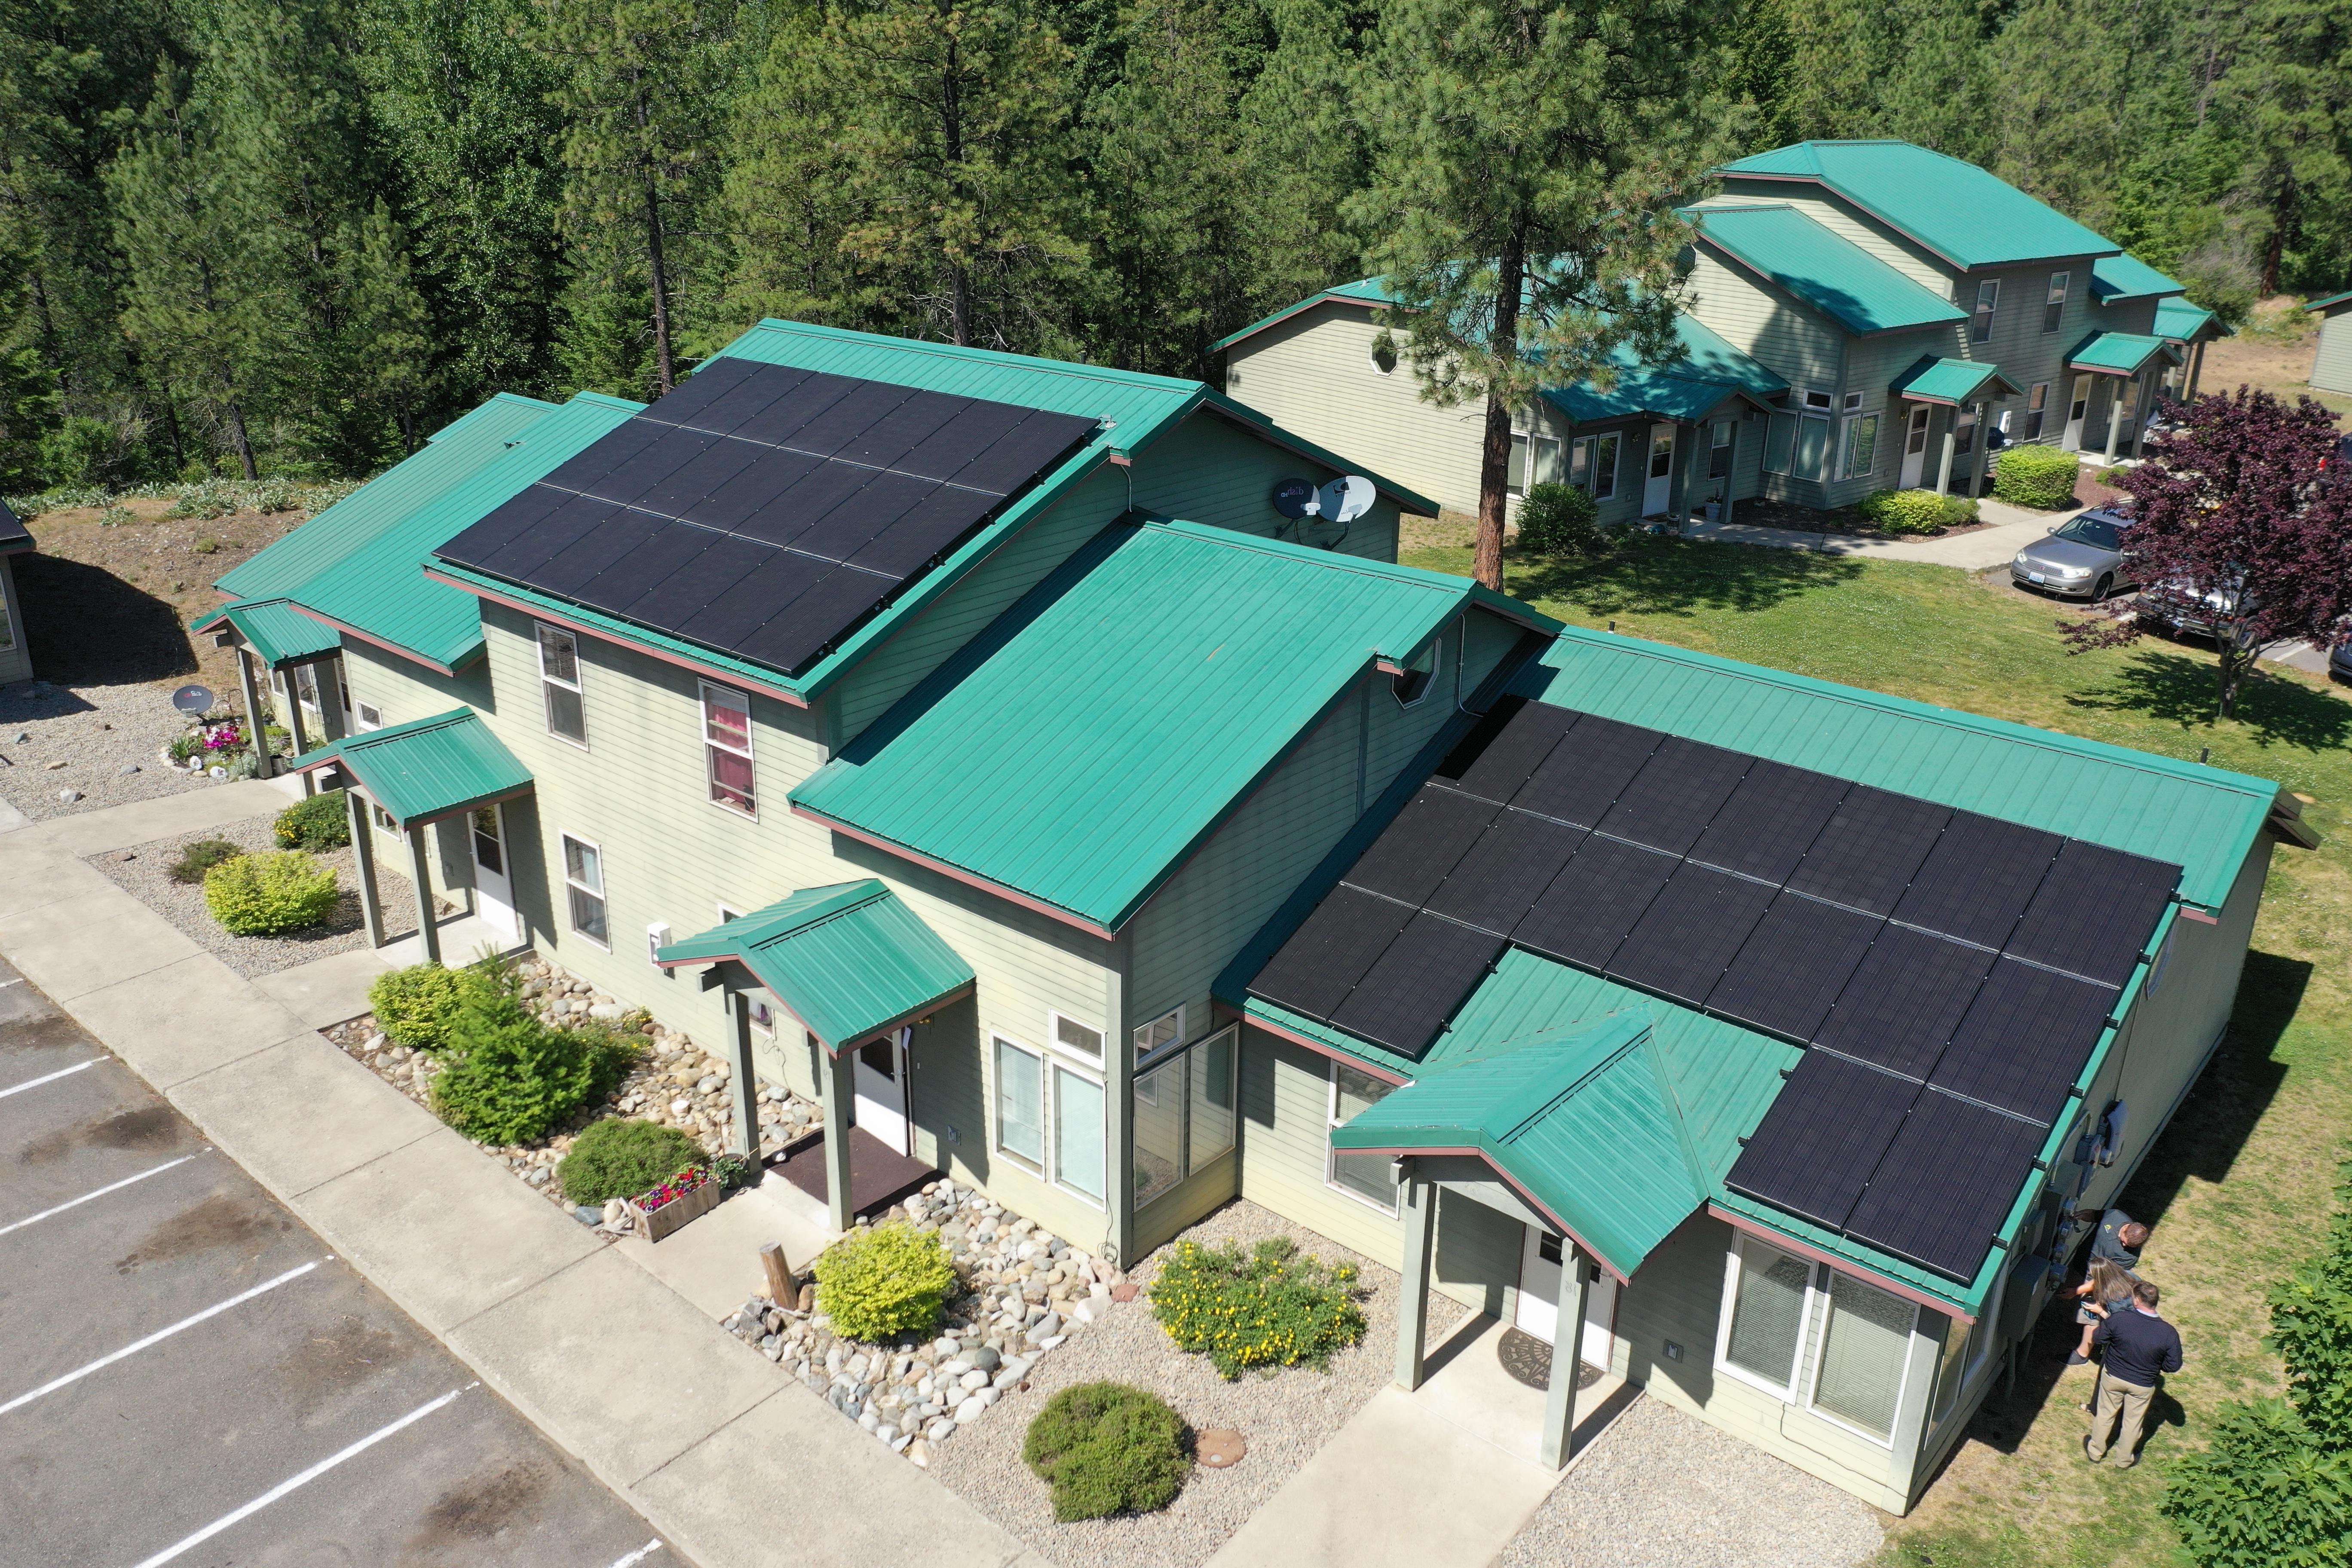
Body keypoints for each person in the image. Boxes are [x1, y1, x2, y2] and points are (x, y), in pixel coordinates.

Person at [2085, 1280, 2182, 1467]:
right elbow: (2173, 1366)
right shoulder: (2168, 1334)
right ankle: (2123, 1460)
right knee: (2133, 1423)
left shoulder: (2121, 1319)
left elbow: (2098, 1338)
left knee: (2105, 1415)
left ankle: (2095, 1452)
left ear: (2137, 1300)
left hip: (2113, 1377)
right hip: (2142, 1385)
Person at [2069, 1257, 2138, 1366]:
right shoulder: (2129, 1275)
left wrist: (2100, 1311)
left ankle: (2085, 1355)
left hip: (2128, 1329)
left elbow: (2117, 1323)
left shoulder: (2115, 1298)